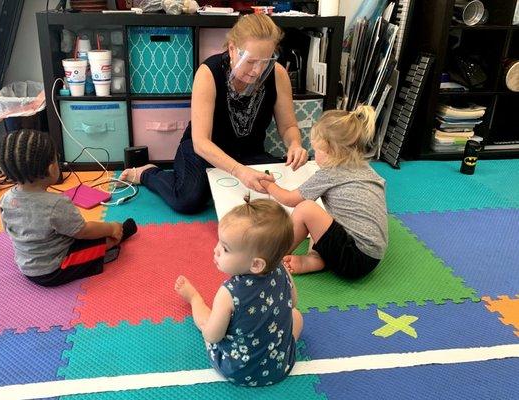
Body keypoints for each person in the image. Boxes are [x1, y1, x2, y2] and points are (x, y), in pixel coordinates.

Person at [120, 14, 308, 214]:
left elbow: (288, 126)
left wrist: (295, 144)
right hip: (203, 151)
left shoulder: (278, 74)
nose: (257, 71)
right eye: (251, 61)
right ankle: (149, 173)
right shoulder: (209, 72)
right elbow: (201, 142)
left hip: (248, 153)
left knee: (280, 193)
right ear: (232, 49)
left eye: (265, 61)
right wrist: (239, 172)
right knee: (188, 200)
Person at [175, 199, 303, 387]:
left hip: (239, 370)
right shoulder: (280, 269)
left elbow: (212, 336)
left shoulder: (228, 293)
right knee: (297, 316)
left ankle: (194, 298)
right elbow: (293, 302)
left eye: (225, 248)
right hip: (279, 365)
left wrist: (207, 322)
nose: (216, 250)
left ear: (256, 264)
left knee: (207, 323)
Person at [260, 105, 388, 279]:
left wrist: (268, 185)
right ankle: (315, 259)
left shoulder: (331, 174)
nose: (314, 155)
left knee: (307, 208)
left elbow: (289, 199)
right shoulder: (366, 170)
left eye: (317, 150)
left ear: (332, 152)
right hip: (373, 257)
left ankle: (272, 258)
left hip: (353, 259)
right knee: (324, 214)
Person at [0, 129, 138, 287]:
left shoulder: (6, 198)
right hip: (54, 270)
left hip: (25, 264)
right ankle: (114, 241)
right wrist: (111, 228)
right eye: (57, 159)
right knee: (102, 240)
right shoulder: (56, 204)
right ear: (52, 169)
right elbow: (83, 231)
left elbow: (8, 229)